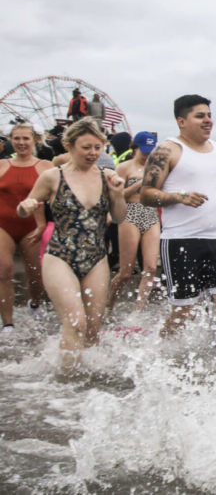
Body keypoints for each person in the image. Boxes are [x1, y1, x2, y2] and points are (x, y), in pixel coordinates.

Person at [18, 118, 126, 374]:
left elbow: (120, 218)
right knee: (75, 323)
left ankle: (85, 382)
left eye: (97, 147)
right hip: (60, 256)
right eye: (86, 147)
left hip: (96, 257)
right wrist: (27, 207)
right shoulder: (52, 177)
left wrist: (119, 194)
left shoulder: (107, 176)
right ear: (68, 145)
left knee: (91, 328)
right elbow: (23, 209)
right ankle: (66, 384)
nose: (93, 153)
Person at [140, 94, 216, 349]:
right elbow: (146, 195)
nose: (208, 121)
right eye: (200, 116)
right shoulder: (167, 150)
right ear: (181, 121)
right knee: (186, 312)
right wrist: (179, 197)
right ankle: (158, 353)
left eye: (209, 115)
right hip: (180, 241)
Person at [0, 123, 53, 335]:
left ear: (35, 140)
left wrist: (43, 225)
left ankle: (35, 303)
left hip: (33, 226)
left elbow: (49, 197)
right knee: (3, 271)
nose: (21, 143)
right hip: (3, 224)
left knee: (35, 276)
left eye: (25, 138)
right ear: (10, 140)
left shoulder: (45, 166)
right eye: (17, 139)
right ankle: (8, 323)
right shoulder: (2, 165)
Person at [107, 132, 161, 314]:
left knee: (151, 268)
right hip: (130, 213)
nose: (147, 155)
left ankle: (138, 312)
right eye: (143, 151)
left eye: (150, 152)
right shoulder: (124, 167)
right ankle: (108, 303)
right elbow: (116, 195)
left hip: (150, 214)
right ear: (135, 148)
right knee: (126, 273)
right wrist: (139, 184)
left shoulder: (158, 168)